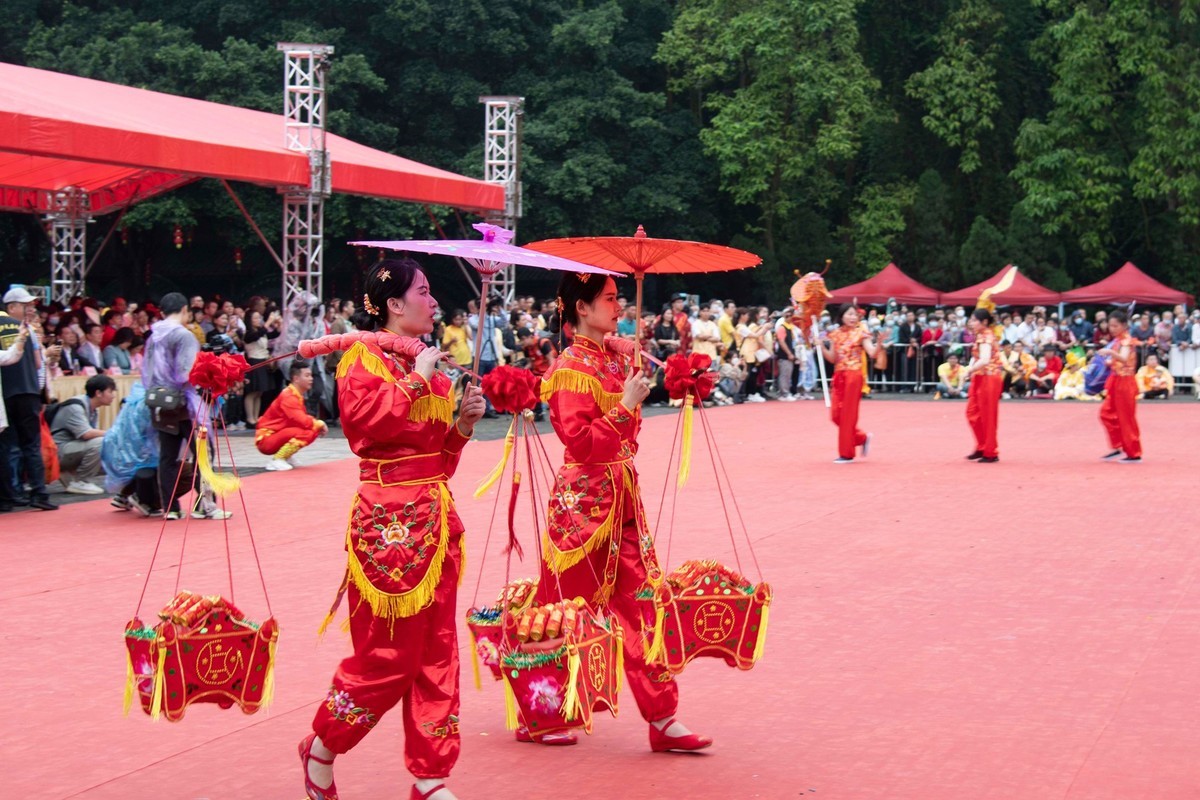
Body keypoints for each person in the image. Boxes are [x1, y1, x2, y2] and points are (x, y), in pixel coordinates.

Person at [300, 259, 485, 800]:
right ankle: (323, 745)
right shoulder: (362, 359)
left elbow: (435, 461)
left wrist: (462, 428)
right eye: (423, 293)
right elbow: (366, 427)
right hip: (387, 528)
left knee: (438, 650)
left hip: (435, 519)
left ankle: (430, 777)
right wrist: (419, 376)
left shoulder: (428, 365)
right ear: (394, 305)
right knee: (387, 657)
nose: (434, 302)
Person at [531, 273, 710, 750]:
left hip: (624, 496)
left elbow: (627, 436)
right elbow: (581, 443)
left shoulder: (616, 359)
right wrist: (625, 404)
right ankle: (544, 710)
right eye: (609, 300)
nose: (618, 307)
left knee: (644, 603)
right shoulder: (571, 368)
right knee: (567, 610)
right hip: (583, 504)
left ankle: (662, 716)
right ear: (582, 309)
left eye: (618, 298)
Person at [142, 292, 231, 521]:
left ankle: (170, 507)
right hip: (185, 403)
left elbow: (147, 372)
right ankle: (204, 505)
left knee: (168, 456)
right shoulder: (184, 336)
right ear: (184, 310)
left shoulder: (153, 336)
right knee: (203, 453)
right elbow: (185, 372)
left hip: (160, 401)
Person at [0, 287, 56, 511]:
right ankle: (39, 494)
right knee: (31, 445)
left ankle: (10, 495)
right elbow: (37, 363)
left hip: (5, 395)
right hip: (27, 391)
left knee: (7, 447)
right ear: (11, 307)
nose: (29, 310)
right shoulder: (28, 330)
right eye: (25, 306)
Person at [819, 304, 877, 463]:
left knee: (848, 416)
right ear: (842, 316)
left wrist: (879, 344)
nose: (853, 317)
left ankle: (846, 453)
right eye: (850, 314)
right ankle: (861, 437)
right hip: (838, 375)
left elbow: (871, 352)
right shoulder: (835, 334)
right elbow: (832, 358)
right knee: (836, 415)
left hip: (853, 376)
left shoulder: (861, 333)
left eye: (855, 315)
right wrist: (820, 347)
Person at [50, 374, 117, 494]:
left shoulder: (91, 408)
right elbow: (86, 434)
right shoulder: (76, 407)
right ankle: (81, 481)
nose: (113, 396)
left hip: (68, 447)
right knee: (101, 442)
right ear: (98, 393)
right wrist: (114, 433)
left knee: (108, 445)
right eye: (110, 391)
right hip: (58, 450)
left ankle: (71, 475)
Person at [255, 359, 327, 470]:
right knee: (308, 431)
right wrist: (319, 423)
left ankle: (286, 456)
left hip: (274, 435)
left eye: (311, 375)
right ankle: (278, 459)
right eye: (307, 376)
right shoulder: (289, 396)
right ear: (296, 378)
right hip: (267, 439)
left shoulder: (294, 394)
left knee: (310, 429)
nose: (311, 379)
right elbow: (302, 420)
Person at [1098, 310, 1142, 462]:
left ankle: (1134, 452)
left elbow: (1123, 358)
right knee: (1106, 413)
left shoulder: (1126, 341)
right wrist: (1110, 361)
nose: (1112, 328)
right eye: (1110, 325)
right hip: (1116, 380)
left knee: (1126, 418)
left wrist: (1110, 352)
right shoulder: (1118, 341)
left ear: (1124, 325)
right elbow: (1120, 360)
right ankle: (1118, 446)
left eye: (1115, 326)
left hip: (1125, 382)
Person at [964, 308, 1003, 463]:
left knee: (987, 415)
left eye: (974, 320)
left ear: (984, 322)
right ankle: (982, 446)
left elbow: (985, 359)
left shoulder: (986, 336)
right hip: (980, 377)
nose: (971, 323)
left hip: (989, 377)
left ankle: (990, 451)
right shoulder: (981, 335)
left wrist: (969, 370)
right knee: (973, 412)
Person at [242, 309, 281, 425]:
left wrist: (278, 324)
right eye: (255, 318)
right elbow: (255, 336)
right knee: (252, 391)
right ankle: (250, 418)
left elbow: (274, 334)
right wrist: (268, 322)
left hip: (263, 361)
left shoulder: (261, 331)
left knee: (260, 392)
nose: (258, 320)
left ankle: (256, 416)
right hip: (254, 361)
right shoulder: (248, 333)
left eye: (259, 318)